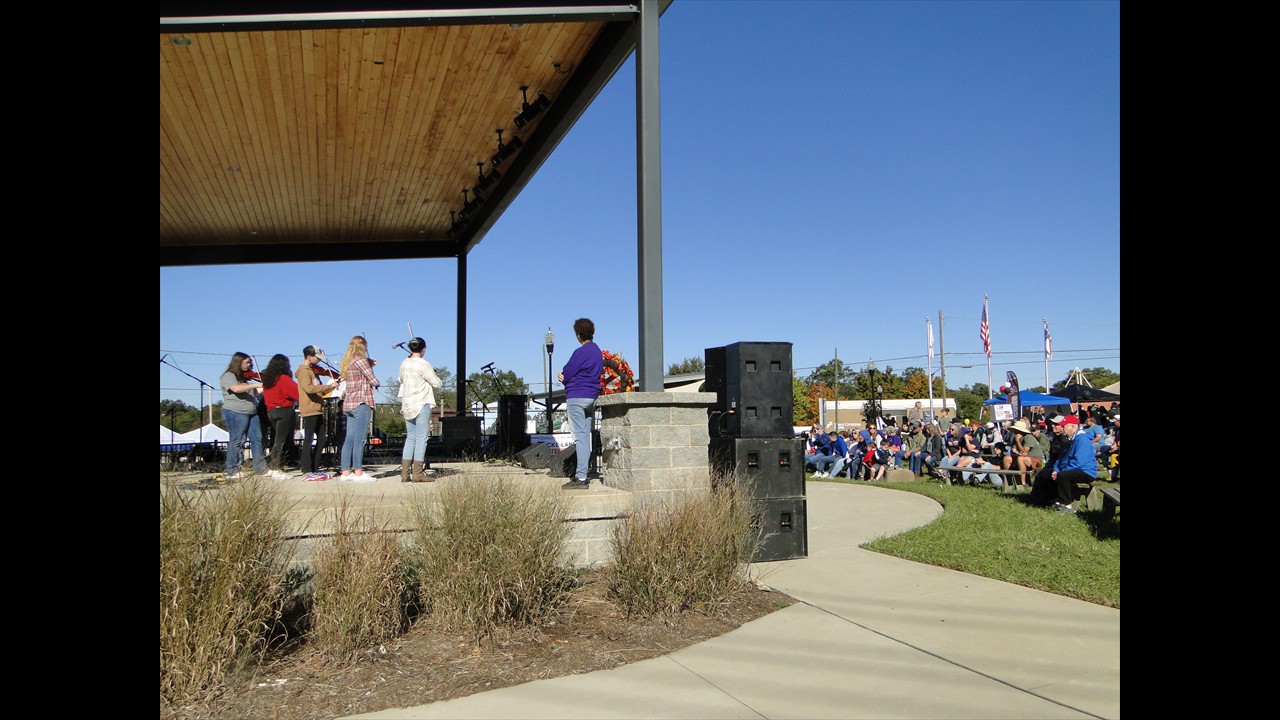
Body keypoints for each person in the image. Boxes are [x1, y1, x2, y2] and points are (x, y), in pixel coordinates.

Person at [557, 318, 603, 489]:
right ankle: (583, 473)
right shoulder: (597, 352)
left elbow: (568, 372)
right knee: (586, 437)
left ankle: (581, 478)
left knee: (580, 438)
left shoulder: (580, 352)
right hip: (592, 397)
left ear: (578, 334)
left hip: (576, 397)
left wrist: (562, 376)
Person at [1029, 414, 1097, 512]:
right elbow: (1061, 458)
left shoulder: (1082, 439)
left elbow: (1079, 461)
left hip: (1086, 471)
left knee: (1063, 476)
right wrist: (1056, 469)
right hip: (1074, 469)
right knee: (1045, 473)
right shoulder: (1071, 440)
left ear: (1073, 426)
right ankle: (1046, 500)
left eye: (1064, 426)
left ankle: (1066, 504)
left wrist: (1061, 471)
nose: (1063, 428)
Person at [398, 337, 443, 483]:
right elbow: (436, 383)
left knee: (411, 437)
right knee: (422, 438)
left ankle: (405, 473)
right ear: (423, 349)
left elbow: (401, 380)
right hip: (421, 403)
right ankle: (418, 473)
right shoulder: (424, 364)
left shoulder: (404, 363)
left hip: (407, 404)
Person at [220, 352, 267, 479]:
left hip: (251, 411)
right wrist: (256, 384)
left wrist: (267, 386)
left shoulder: (245, 379)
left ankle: (261, 468)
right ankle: (232, 469)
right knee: (237, 440)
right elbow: (236, 389)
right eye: (247, 362)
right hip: (236, 411)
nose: (249, 365)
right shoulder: (228, 376)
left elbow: (255, 392)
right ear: (238, 362)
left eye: (250, 362)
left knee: (257, 439)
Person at [338, 336, 379, 482]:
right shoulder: (361, 360)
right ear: (363, 346)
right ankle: (358, 471)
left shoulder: (347, 362)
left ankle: (345, 471)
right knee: (360, 439)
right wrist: (371, 369)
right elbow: (373, 380)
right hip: (361, 403)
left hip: (349, 404)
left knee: (349, 439)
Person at [296, 345, 337, 475]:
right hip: (310, 408)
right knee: (309, 439)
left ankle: (315, 466)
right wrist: (328, 387)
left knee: (322, 438)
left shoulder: (311, 371)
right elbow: (308, 388)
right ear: (309, 357)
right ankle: (306, 468)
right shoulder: (304, 371)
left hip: (317, 409)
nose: (319, 361)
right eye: (317, 358)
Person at [260, 353, 299, 480]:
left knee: (276, 439)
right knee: (281, 440)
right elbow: (296, 392)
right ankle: (276, 467)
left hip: (271, 411)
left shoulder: (268, 380)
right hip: (284, 410)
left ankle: (274, 466)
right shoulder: (283, 378)